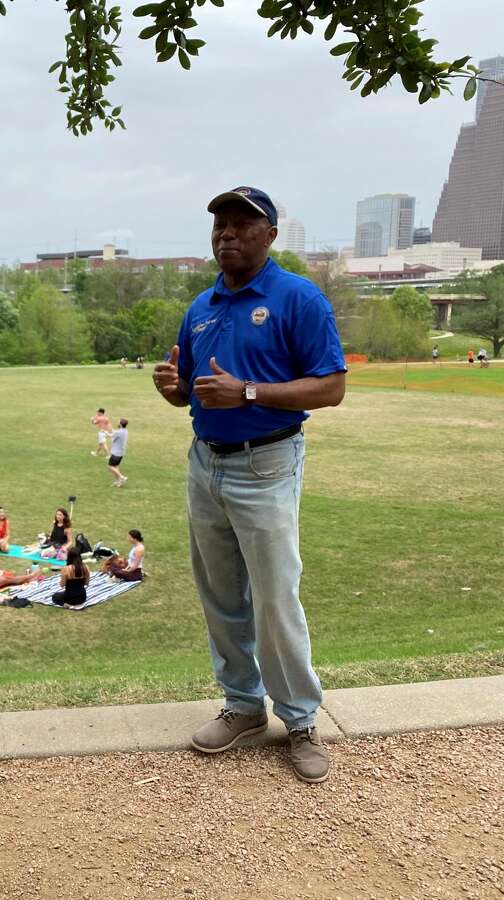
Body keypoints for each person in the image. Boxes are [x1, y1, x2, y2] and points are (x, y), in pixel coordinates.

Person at [152, 185, 346, 784]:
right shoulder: (202, 306)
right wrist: (175, 389)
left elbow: (331, 386)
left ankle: (301, 720)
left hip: (266, 464)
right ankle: (243, 707)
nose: (227, 235)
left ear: (270, 236)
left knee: (274, 598)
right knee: (220, 596)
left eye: (241, 224)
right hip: (205, 463)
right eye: (219, 227)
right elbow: (194, 385)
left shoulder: (298, 299)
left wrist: (251, 392)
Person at [108, 418, 129, 487]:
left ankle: (122, 477)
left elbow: (111, 435)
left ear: (120, 424)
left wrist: (104, 431)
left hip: (116, 453)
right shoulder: (125, 431)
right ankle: (118, 481)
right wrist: (111, 428)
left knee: (110, 466)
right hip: (121, 453)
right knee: (115, 466)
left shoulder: (119, 432)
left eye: (119, 422)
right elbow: (116, 433)